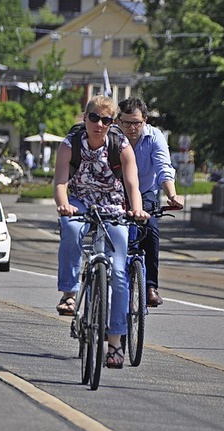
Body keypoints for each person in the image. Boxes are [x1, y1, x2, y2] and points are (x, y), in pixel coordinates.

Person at [53, 95, 149, 369]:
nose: (99, 124)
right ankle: (69, 294)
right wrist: (63, 205)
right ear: (85, 118)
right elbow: (61, 182)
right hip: (80, 201)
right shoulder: (70, 145)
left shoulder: (121, 147)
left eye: (106, 120)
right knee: (70, 229)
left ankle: (115, 343)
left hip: (113, 206)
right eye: (94, 118)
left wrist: (137, 210)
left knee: (119, 270)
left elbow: (132, 186)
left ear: (111, 123)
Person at [118, 97, 184, 307]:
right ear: (118, 121)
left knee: (151, 231)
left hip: (145, 192)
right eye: (126, 123)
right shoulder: (112, 136)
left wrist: (172, 195)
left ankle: (150, 287)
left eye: (136, 122)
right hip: (115, 193)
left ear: (145, 120)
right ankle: (105, 277)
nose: (131, 128)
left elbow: (164, 168)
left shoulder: (155, 137)